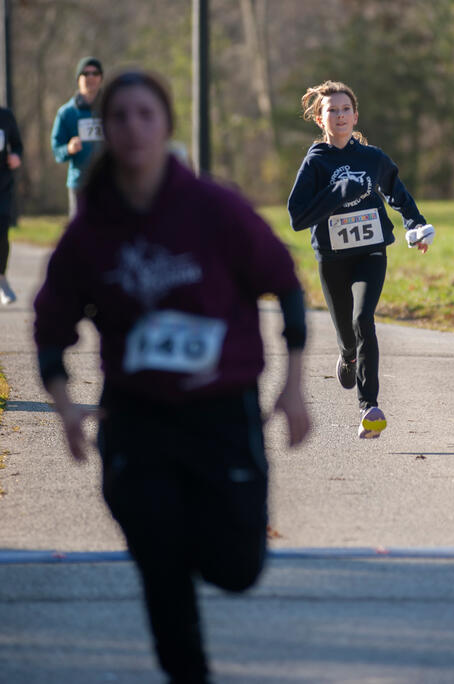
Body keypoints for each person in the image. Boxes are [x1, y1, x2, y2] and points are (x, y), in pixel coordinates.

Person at [34, 68, 310, 684]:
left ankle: (183, 531)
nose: (133, 127)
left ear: (166, 127)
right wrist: (65, 406)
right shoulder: (91, 231)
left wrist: (293, 384)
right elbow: (50, 325)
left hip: (221, 413)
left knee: (236, 567)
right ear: (106, 130)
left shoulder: (214, 208)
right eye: (120, 116)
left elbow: (285, 284)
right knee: (162, 572)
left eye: (145, 114)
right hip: (137, 420)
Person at [287, 80, 433, 441]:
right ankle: (348, 357)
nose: (339, 115)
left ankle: (369, 406)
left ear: (355, 115)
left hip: (371, 252)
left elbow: (396, 192)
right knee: (347, 336)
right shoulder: (316, 162)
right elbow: (297, 217)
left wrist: (415, 224)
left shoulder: (372, 158)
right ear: (321, 120)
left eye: (345, 109)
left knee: (363, 318)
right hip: (332, 257)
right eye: (331, 110)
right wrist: (338, 192)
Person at [51, 56, 104, 217]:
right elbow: (56, 150)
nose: (90, 77)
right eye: (85, 74)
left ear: (101, 78)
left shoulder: (113, 109)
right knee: (81, 236)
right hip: (80, 184)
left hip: (109, 183)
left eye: (95, 73)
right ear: (78, 79)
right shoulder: (67, 113)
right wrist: (68, 148)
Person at [0, 105, 23, 306]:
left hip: (2, 187)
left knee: (1, 235)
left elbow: (17, 145)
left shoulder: (5, 116)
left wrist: (16, 156)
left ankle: (1, 280)